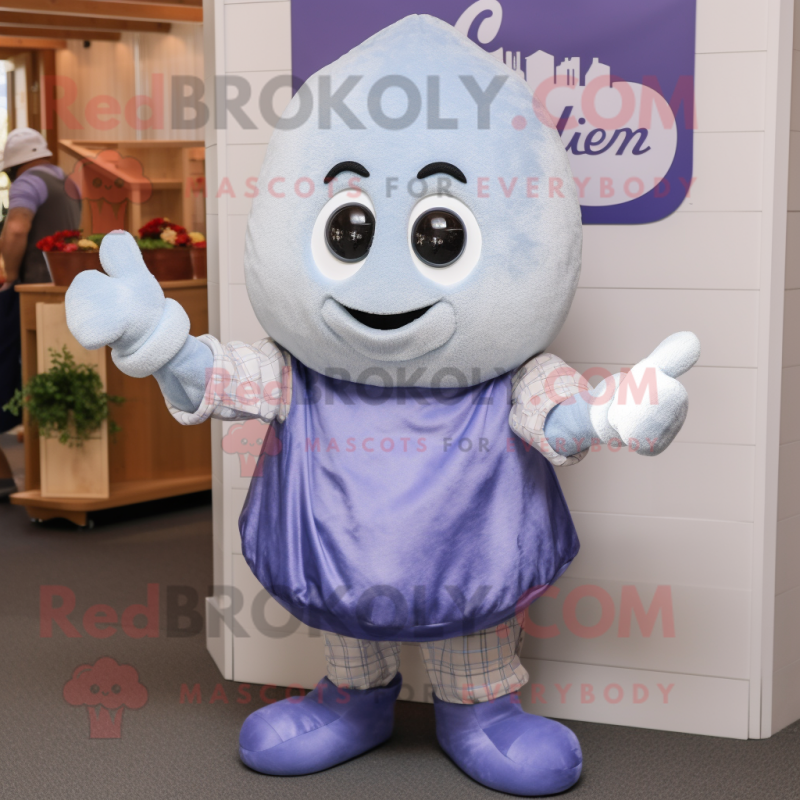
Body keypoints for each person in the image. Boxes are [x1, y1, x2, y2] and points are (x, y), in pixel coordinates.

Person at [0, 127, 82, 497]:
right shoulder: (66, 180)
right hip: (66, 290)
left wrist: (10, 277)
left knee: (14, 371)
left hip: (32, 292)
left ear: (14, 166)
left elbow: (17, 228)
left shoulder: (28, 182)